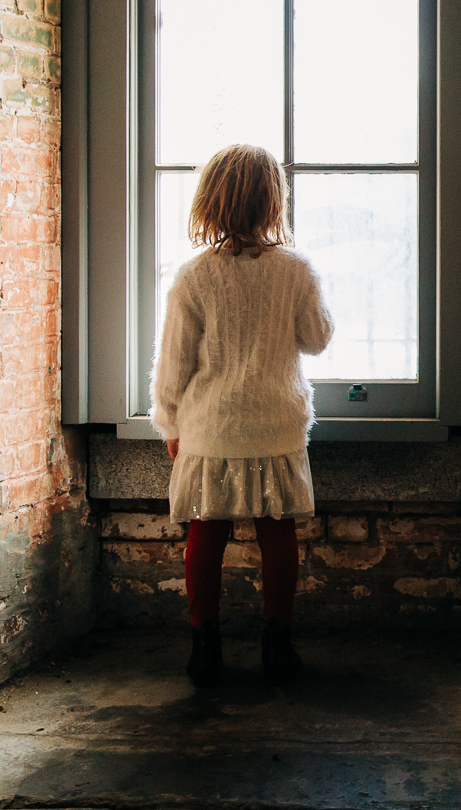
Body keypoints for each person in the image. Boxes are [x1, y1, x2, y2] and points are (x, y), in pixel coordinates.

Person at [151, 144, 334, 687]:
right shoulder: (296, 270)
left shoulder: (193, 278)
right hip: (275, 422)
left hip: (211, 426)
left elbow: (174, 366)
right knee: (278, 534)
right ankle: (277, 645)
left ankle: (204, 647)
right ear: (273, 202)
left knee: (205, 533)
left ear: (210, 201)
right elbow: (317, 339)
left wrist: (170, 425)